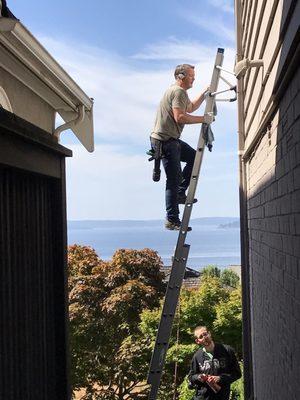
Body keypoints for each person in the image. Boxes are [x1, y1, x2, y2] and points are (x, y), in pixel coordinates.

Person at [150, 64, 213, 230]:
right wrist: (204, 119)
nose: (194, 78)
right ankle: (172, 220)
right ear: (181, 76)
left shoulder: (181, 93)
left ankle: (180, 192)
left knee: (194, 158)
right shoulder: (177, 92)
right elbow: (180, 117)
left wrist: (204, 94)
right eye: (191, 76)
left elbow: (190, 107)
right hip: (164, 142)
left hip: (171, 140)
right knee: (173, 180)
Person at [189, 326, 241, 400]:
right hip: (202, 397)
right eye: (201, 336)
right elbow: (191, 376)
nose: (204, 337)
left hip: (222, 396)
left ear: (209, 334)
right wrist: (199, 377)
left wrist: (220, 378)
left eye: (205, 334)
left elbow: (237, 373)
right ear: (198, 341)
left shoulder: (227, 350)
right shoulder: (197, 356)